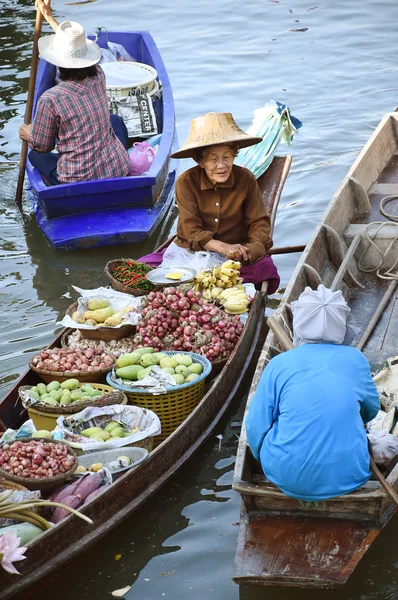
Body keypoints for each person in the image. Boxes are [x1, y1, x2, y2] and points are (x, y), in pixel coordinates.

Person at [245, 284, 380, 501]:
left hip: (283, 474)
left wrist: (264, 458)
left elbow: (256, 426)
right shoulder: (355, 359)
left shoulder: (278, 364)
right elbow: (371, 411)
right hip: (351, 475)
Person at [139, 112, 280, 291]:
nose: (221, 165)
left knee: (266, 269)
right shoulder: (186, 182)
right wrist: (223, 248)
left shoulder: (246, 179)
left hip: (237, 252)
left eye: (227, 157)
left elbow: (259, 222)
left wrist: (251, 249)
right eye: (213, 159)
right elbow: (191, 231)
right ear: (200, 161)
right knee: (141, 267)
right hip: (193, 250)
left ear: (234, 156)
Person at [18, 0, 129, 186]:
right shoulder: (99, 76)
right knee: (115, 120)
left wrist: (28, 133)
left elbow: (43, 145)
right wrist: (49, 17)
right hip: (117, 168)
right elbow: (73, 50)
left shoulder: (50, 99)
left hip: (76, 179)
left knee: (36, 156)